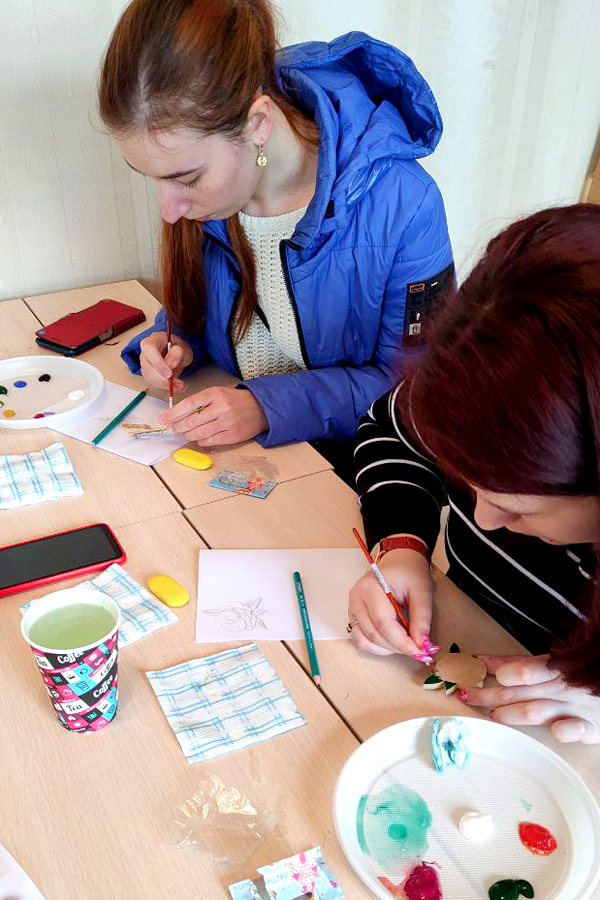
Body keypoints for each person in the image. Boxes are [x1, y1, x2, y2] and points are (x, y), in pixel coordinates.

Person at [98, 0, 453, 480]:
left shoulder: (405, 205)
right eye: (152, 178)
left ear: (258, 124)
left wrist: (266, 406)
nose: (169, 208)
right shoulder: (210, 199)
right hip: (247, 454)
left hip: (354, 469)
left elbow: (416, 390)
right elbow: (215, 317)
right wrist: (177, 341)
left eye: (188, 178)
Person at [349, 204, 600, 744]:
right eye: (462, 478)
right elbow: (389, 431)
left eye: (517, 508)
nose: (480, 519)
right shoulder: (483, 391)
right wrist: (402, 546)